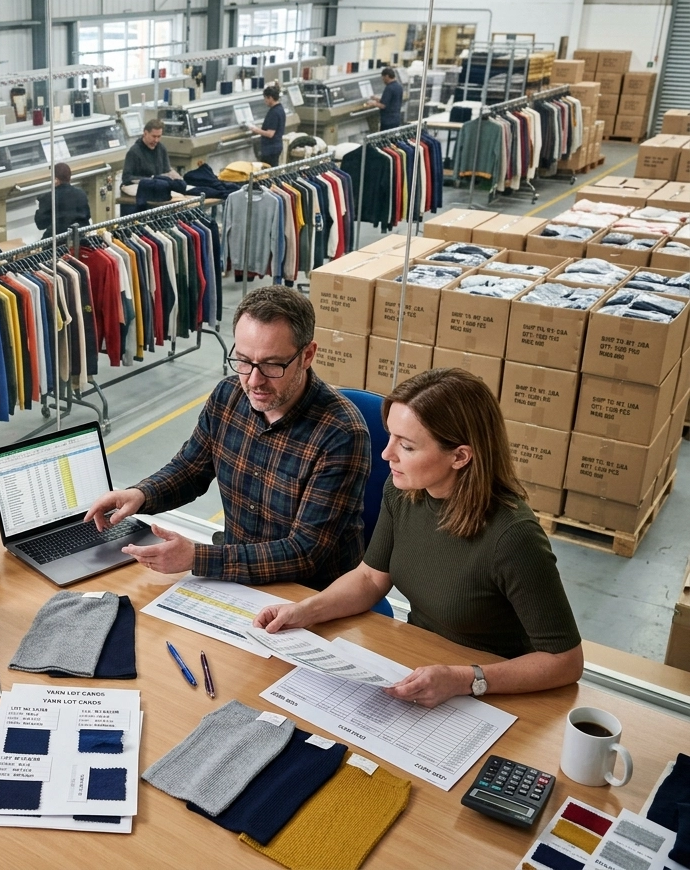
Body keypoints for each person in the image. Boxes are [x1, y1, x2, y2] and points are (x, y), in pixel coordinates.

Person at [254, 368, 584, 708]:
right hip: (420, 662)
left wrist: (464, 680)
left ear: (460, 456)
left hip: (492, 689)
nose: (387, 454)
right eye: (391, 437)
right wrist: (305, 611)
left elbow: (566, 662)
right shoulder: (404, 493)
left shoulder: (514, 537)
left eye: (407, 446)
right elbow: (370, 577)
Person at [84, 286, 369, 588]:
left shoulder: (341, 433)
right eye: (244, 360)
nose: (253, 381)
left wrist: (198, 558)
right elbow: (190, 470)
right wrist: (139, 495)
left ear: (307, 355)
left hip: (310, 593)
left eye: (272, 364)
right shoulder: (228, 395)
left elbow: (304, 553)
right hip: (238, 578)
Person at [34, 161, 91, 239]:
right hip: (81, 238)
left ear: (56, 180)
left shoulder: (48, 198)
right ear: (69, 177)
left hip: (58, 241)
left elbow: (41, 224)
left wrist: (38, 209)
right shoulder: (81, 194)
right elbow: (87, 215)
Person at [121, 118, 183, 187]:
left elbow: (167, 171)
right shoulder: (134, 152)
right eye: (154, 136)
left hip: (159, 186)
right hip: (142, 187)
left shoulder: (161, 148)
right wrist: (151, 180)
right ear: (145, 133)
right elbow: (126, 178)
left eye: (159, 136)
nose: (156, 140)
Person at [250, 84, 286, 168]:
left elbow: (270, 134)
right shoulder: (280, 109)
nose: (265, 101)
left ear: (270, 98)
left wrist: (256, 130)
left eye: (265, 98)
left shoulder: (274, 113)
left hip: (270, 149)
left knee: (267, 172)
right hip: (276, 146)